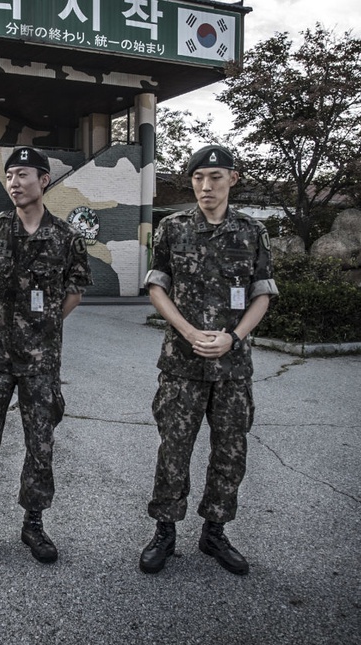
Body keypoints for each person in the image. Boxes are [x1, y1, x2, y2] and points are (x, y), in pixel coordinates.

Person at [138, 145, 278, 577]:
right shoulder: (172, 229)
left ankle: (214, 530)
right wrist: (188, 331)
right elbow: (157, 286)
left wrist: (234, 337)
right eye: (199, 178)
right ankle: (165, 530)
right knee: (174, 451)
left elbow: (263, 293)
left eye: (215, 177)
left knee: (230, 452)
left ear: (233, 179)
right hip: (182, 364)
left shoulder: (252, 232)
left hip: (233, 368)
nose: (206, 186)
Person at [0, 146, 92, 569]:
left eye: (23, 175)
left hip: (41, 361)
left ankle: (33, 523)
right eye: (9, 175)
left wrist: (42, 325)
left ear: (43, 181)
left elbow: (74, 293)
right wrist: (8, 324)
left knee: (40, 444)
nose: (14, 183)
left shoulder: (66, 237)